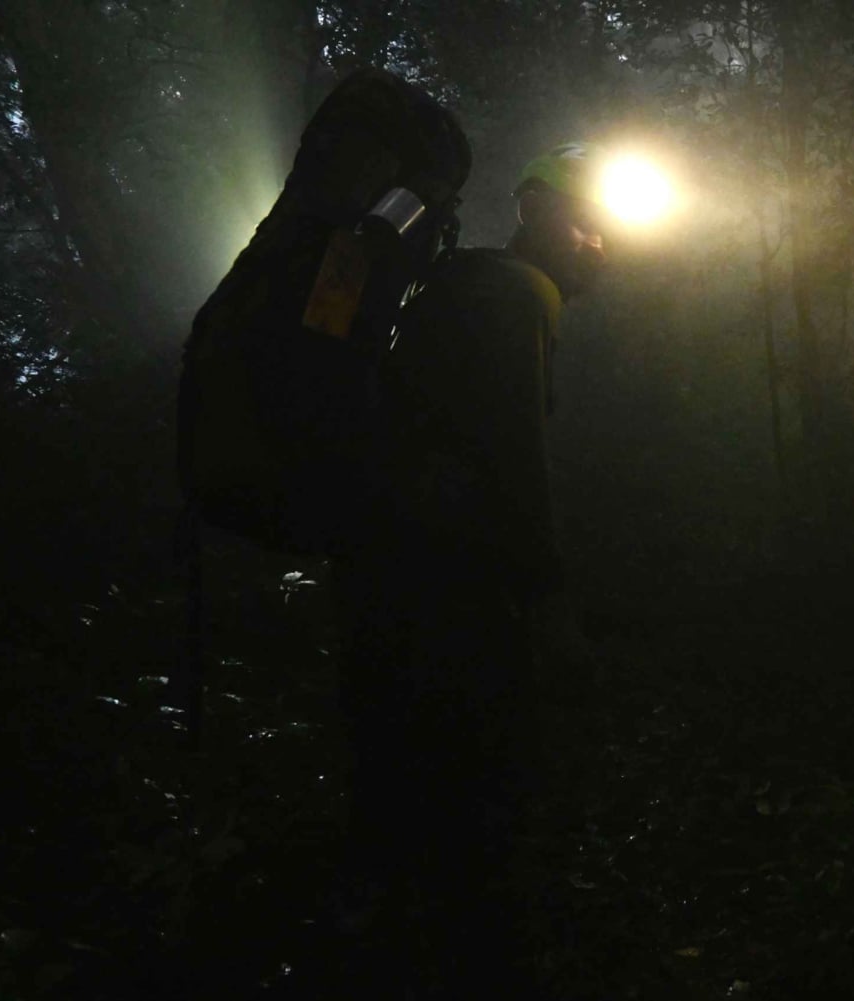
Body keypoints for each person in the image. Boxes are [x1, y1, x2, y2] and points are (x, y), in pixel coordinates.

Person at [328, 142, 610, 999]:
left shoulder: (462, 284)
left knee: (398, 810)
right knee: (475, 812)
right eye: (590, 227)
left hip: (380, 578)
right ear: (543, 219)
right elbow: (515, 459)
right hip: (450, 601)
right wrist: (550, 599)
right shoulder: (518, 294)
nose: (603, 246)